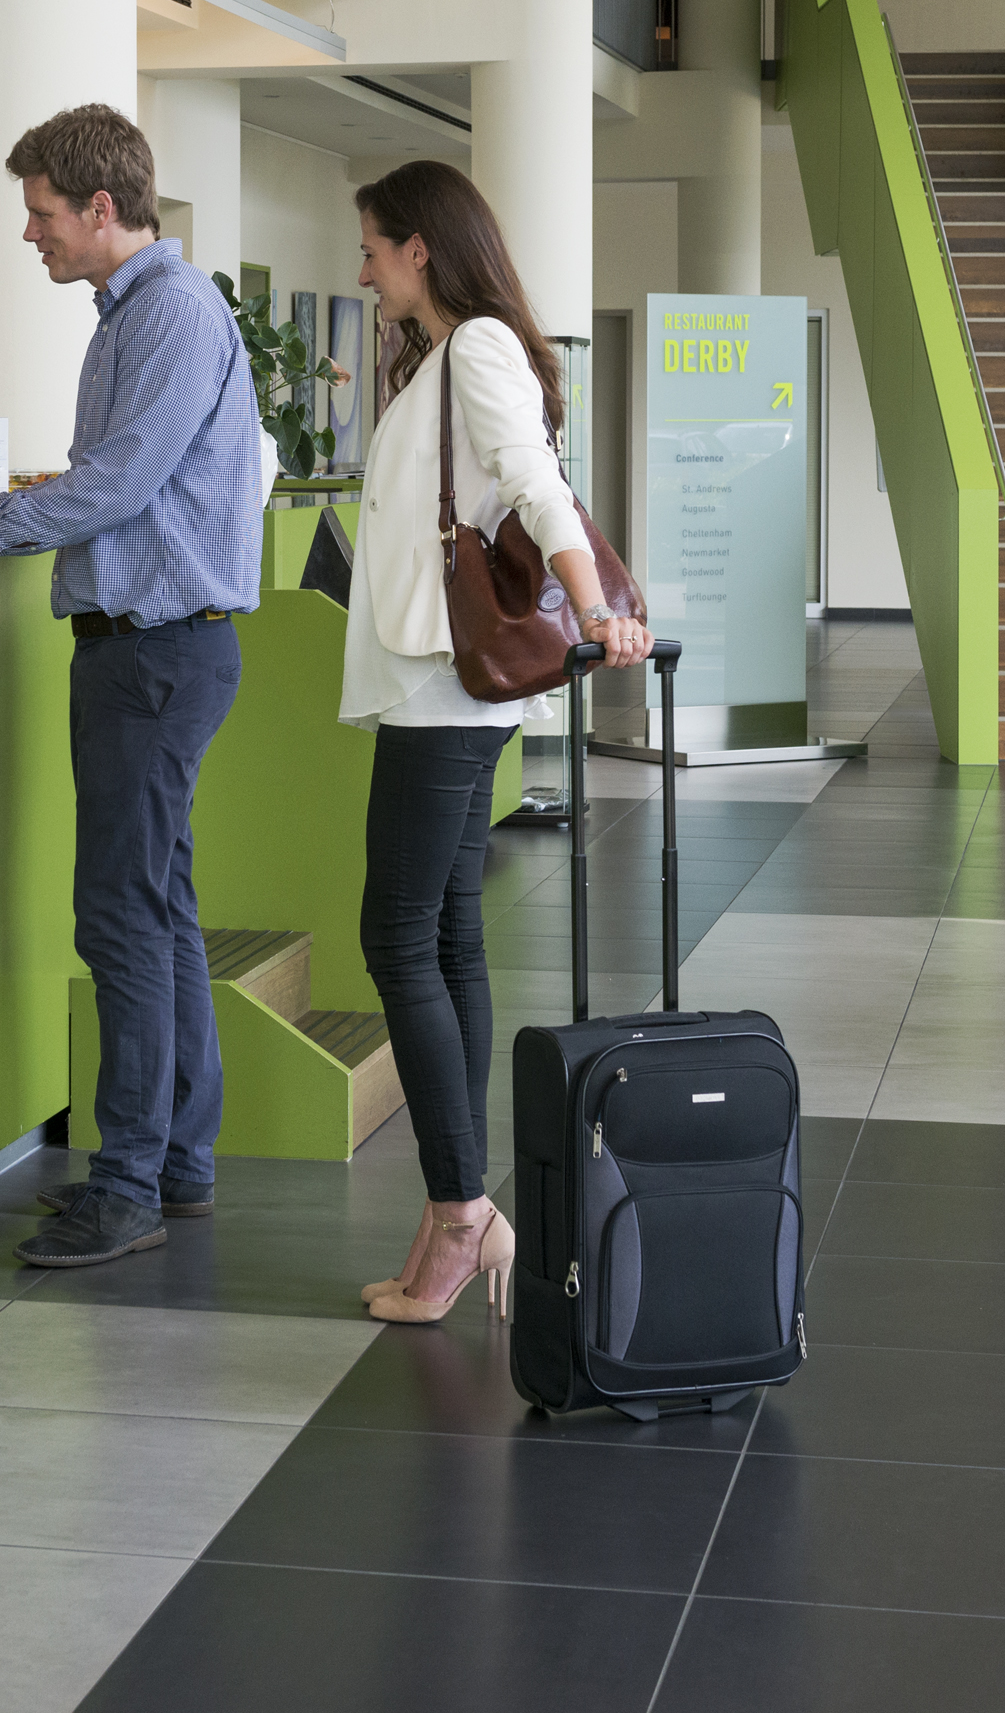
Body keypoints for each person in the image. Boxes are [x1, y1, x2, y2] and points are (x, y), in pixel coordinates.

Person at [0, 104, 261, 1269]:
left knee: (120, 919)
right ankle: (176, 1164)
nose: (30, 233)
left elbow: (118, 486)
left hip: (151, 656)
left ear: (102, 208)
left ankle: (129, 1184)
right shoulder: (134, 315)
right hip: (149, 651)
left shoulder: (170, 313)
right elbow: (123, 482)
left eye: (43, 212)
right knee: (156, 910)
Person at [339, 161, 648, 1326]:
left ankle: (463, 1212)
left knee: (397, 935)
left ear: (420, 248)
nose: (363, 269)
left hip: (441, 687)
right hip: (438, 684)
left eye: (374, 247)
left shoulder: (473, 347)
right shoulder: (449, 353)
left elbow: (535, 483)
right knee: (446, 937)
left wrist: (600, 606)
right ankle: (456, 1210)